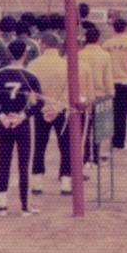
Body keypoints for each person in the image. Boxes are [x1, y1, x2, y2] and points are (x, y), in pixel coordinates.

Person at [0, 39, 44, 216]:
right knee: (23, 165)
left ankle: (1, 206)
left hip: (5, 124)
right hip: (22, 124)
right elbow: (39, 103)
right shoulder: (30, 77)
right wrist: (23, 116)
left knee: (3, 164)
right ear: (25, 54)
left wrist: (2, 116)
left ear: (8, 54)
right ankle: (25, 206)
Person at [28, 32, 71, 196]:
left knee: (39, 145)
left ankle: (37, 183)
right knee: (65, 146)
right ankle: (66, 183)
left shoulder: (33, 65)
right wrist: (58, 107)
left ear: (43, 44)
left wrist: (41, 106)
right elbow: (70, 89)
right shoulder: (66, 64)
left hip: (41, 109)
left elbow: (30, 91)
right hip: (61, 110)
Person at [77, 24, 115, 172]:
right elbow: (108, 76)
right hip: (100, 95)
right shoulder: (105, 55)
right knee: (98, 129)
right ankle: (96, 157)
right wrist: (111, 92)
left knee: (84, 129)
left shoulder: (79, 54)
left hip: (83, 96)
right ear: (98, 39)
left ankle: (85, 158)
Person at [102, 18, 127, 152]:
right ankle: (120, 142)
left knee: (111, 112)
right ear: (126, 28)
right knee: (122, 113)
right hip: (125, 82)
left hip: (109, 82)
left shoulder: (106, 44)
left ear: (114, 28)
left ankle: (112, 140)